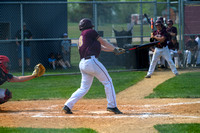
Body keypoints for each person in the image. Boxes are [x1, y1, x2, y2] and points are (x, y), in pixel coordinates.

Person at [63, 18, 125, 114]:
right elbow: (103, 42)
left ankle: (67, 106)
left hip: (83, 64)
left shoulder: (83, 35)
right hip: (91, 62)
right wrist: (115, 48)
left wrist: (114, 50)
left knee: (83, 88)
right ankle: (112, 106)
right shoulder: (90, 32)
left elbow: (102, 47)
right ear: (89, 26)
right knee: (108, 82)